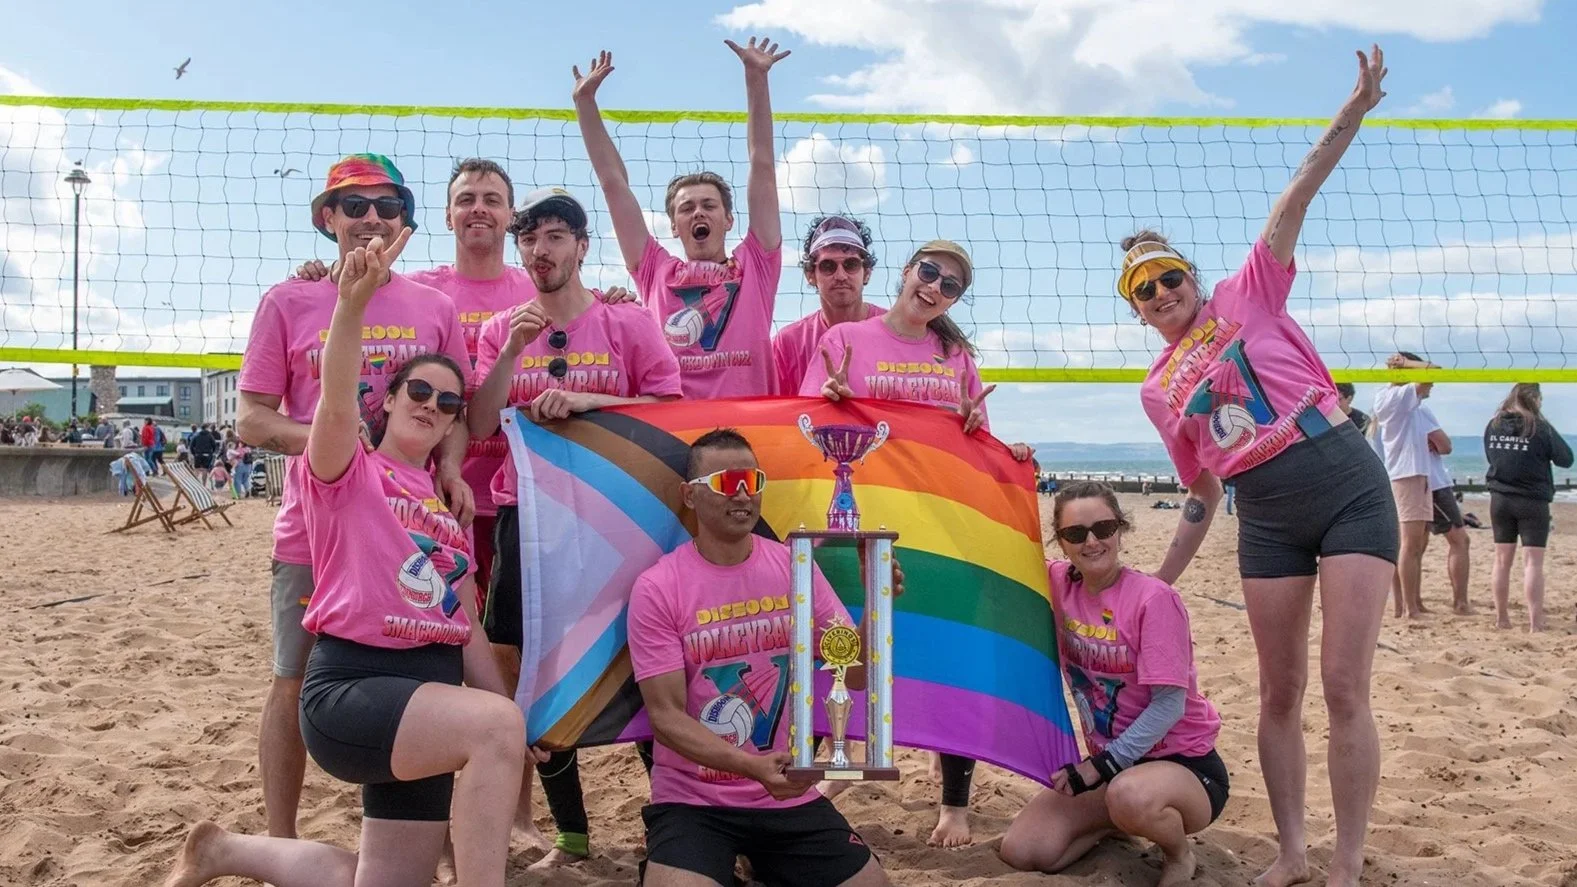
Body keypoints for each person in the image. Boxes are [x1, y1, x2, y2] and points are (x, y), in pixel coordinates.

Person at [165, 228, 532, 887]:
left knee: (386, 877)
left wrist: (511, 712)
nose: (431, 405)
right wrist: (351, 305)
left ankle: (224, 851)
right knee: (493, 728)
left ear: (453, 423)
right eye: (418, 391)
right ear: (388, 400)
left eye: (447, 403)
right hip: (353, 689)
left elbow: (470, 628)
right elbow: (335, 398)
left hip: (427, 701)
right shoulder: (348, 467)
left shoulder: (448, 507)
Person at [1121, 47, 1394, 887]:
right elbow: (1202, 491)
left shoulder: (1249, 294)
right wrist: (1158, 578)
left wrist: (1351, 110)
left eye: (1168, 276)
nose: (1162, 292)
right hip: (1266, 512)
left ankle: (1345, 864)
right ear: (1135, 310)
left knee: (1342, 682)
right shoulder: (1159, 389)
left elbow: (1295, 194)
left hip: (1345, 480)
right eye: (1143, 289)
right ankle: (1291, 851)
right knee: (1278, 695)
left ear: (1191, 276)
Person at [237, 153, 474, 840]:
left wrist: (452, 469)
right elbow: (250, 417)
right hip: (314, 530)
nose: (372, 217)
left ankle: (420, 837)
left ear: (405, 219)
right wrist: (336, 446)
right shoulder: (288, 299)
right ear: (327, 218)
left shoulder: (433, 304)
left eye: (387, 206)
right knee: (292, 678)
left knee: (422, 684)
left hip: (408, 529)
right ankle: (280, 839)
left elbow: (453, 403)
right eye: (355, 204)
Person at [468, 186, 684, 867]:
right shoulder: (500, 327)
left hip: (619, 518)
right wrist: (512, 352)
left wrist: (592, 399)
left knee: (640, 659)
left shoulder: (626, 321)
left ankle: (673, 828)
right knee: (534, 670)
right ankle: (570, 835)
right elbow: (477, 426)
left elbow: (670, 409)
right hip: (526, 519)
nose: (540, 248)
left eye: (555, 235)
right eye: (529, 237)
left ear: (581, 246)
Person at [801, 239, 1033, 848]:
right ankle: (843, 759)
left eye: (950, 285)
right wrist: (825, 403)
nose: (934, 286)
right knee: (845, 638)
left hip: (938, 524)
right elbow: (804, 431)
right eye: (928, 272)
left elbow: (971, 435)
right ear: (906, 273)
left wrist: (988, 437)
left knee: (945, 650)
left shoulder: (953, 353)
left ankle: (954, 804)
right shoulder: (846, 341)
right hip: (859, 517)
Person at [626, 428, 892, 887]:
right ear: (690, 495)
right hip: (694, 799)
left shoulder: (795, 566)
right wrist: (751, 767)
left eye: (754, 480)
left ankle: (761, 862)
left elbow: (853, 678)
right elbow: (665, 718)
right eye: (728, 483)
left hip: (785, 794)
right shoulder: (658, 587)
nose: (745, 494)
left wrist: (875, 603)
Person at [1001, 481, 1228, 886]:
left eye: (1103, 529)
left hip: (1184, 767)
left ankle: (1178, 853)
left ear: (1121, 530)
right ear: (1061, 543)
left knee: (1130, 796)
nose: (1091, 542)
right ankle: (1113, 823)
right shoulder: (1055, 582)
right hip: (1111, 772)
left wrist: (1100, 768)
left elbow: (1168, 706)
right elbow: (1000, 543)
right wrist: (1018, 464)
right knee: (1025, 851)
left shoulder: (1152, 599)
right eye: (1075, 534)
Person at [574, 40, 787, 399]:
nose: (698, 212)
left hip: (749, 431)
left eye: (709, 205)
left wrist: (756, 78)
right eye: (687, 208)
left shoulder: (757, 265)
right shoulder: (656, 271)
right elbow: (613, 185)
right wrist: (585, 104)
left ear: (730, 220)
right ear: (674, 225)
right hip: (675, 430)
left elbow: (762, 165)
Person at [1485, 383, 1573, 631]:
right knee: (1533, 562)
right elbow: (1566, 459)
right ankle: (1535, 623)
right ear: (1535, 399)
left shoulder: (1493, 425)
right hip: (1532, 500)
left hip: (1500, 499)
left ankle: (1502, 619)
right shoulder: (1539, 427)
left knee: (1502, 561)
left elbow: (1493, 457)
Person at [772, 215, 886, 394]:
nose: (841, 275)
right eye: (828, 266)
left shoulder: (894, 329)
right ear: (810, 275)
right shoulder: (788, 343)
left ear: (867, 273)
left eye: (851, 264)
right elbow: (774, 411)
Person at [1373, 351, 1439, 619]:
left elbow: (1431, 378)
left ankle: (1411, 604)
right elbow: (1434, 372)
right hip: (1405, 475)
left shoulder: (1410, 403)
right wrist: (1405, 364)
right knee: (1409, 546)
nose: (1430, 387)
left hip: (1416, 475)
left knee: (1416, 546)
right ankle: (1408, 609)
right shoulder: (1393, 397)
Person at [1419, 404, 1472, 615]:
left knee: (1414, 544)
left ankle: (1410, 602)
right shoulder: (1419, 409)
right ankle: (1460, 603)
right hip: (1433, 483)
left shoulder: (1387, 406)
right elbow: (1445, 446)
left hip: (1409, 478)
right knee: (1459, 539)